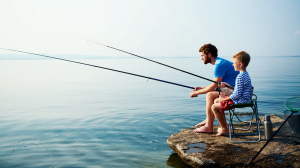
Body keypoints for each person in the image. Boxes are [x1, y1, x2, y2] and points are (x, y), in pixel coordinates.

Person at [189, 43, 239, 133]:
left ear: (209, 54)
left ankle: (209, 125)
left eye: (202, 55)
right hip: (232, 89)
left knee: (210, 95)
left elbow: (214, 86)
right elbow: (216, 84)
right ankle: (210, 120)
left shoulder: (219, 65)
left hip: (235, 91)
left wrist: (196, 93)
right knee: (211, 94)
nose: (201, 58)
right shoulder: (221, 62)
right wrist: (202, 88)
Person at [212, 51, 252, 136]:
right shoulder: (245, 74)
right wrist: (228, 86)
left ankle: (224, 129)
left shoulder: (239, 77)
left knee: (214, 107)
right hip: (246, 99)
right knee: (216, 100)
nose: (233, 65)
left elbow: (236, 95)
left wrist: (225, 98)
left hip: (240, 101)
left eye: (234, 63)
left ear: (240, 64)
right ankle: (225, 125)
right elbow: (239, 91)